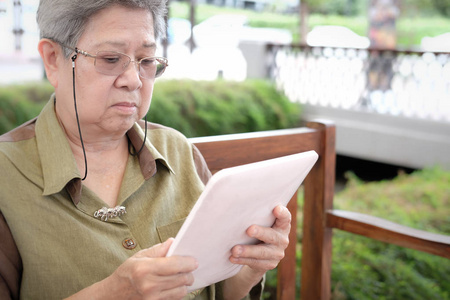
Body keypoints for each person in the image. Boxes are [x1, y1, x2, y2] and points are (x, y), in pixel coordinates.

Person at [0, 0, 291, 299]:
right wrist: (114, 293)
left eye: (147, 60)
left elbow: (217, 290)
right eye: (111, 59)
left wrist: (249, 265)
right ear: (52, 60)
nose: (133, 80)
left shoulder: (179, 152)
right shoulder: (7, 176)